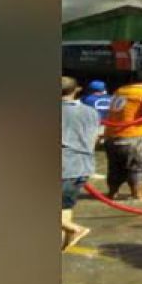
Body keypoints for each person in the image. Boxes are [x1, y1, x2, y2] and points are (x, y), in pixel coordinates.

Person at [103, 67, 142, 201]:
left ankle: (112, 194)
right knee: (138, 167)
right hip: (135, 136)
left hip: (111, 136)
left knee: (115, 167)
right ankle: (138, 195)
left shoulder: (120, 90)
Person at [62, 76, 102, 250]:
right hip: (84, 166)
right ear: (76, 90)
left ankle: (75, 229)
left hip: (64, 166)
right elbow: (95, 139)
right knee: (64, 206)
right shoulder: (91, 111)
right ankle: (64, 243)